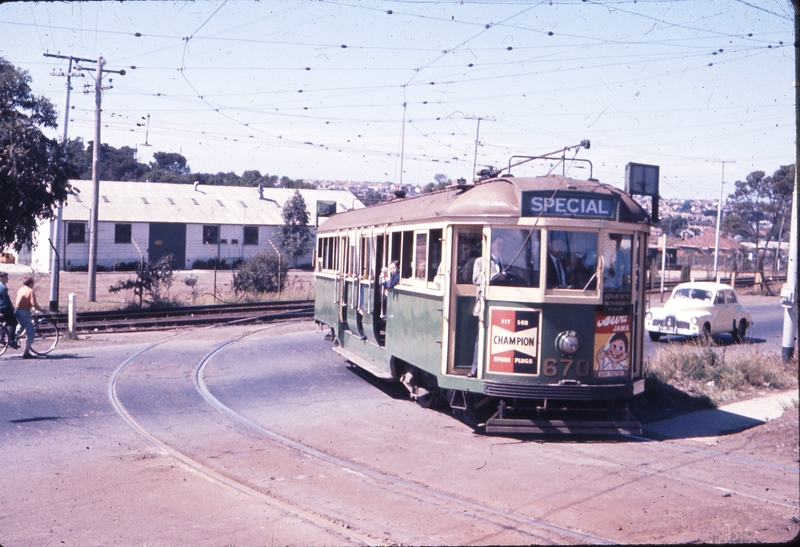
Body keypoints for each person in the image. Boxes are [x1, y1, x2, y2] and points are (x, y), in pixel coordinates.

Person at [14, 276, 45, 359]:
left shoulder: (20, 289)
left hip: (17, 311)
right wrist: (41, 309)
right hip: (24, 312)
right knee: (30, 331)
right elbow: (34, 304)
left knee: (21, 325)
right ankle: (26, 352)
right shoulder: (30, 291)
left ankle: (13, 338)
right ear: (31, 283)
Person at [0, 272, 18, 349]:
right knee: (13, 323)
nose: (7, 279)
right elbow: (6, 299)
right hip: (5, 307)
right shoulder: (3, 288)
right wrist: (11, 307)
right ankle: (11, 340)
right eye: (6, 278)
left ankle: (2, 337)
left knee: (4, 323)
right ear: (1, 278)